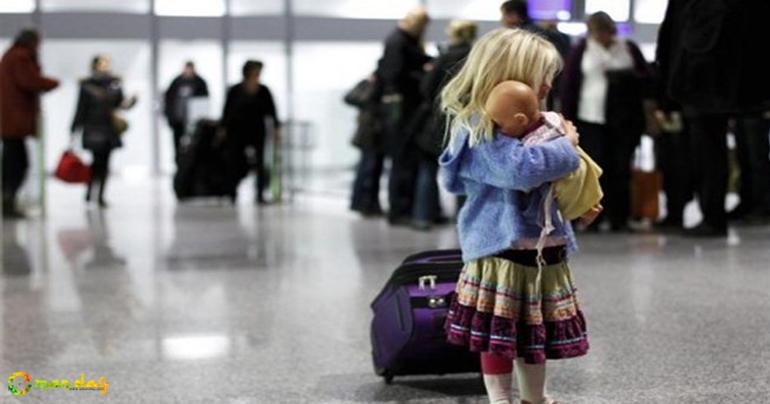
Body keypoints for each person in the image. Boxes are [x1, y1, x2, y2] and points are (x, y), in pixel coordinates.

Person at [439, 28, 590, 404]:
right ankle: (500, 398)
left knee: (532, 330)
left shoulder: (537, 125)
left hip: (542, 247)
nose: (548, 86)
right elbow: (519, 172)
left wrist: (580, 202)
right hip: (500, 253)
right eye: (541, 77)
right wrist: (566, 147)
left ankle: (534, 397)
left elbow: (553, 180)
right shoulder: (478, 127)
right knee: (499, 332)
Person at [656, 0, 770, 236]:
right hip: (706, 84)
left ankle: (715, 215)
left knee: (711, 151)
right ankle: (719, 211)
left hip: (706, 84)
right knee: (709, 151)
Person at [561, 12, 651, 232]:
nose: (603, 37)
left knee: (621, 168)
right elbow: (569, 86)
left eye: (606, 32)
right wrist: (566, 120)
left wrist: (625, 77)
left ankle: (619, 216)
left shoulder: (628, 48)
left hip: (624, 120)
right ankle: (593, 217)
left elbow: (647, 79)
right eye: (598, 32)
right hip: (590, 118)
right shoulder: (581, 50)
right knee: (594, 169)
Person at [485, 80, 603, 228]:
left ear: (521, 120)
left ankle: (583, 209)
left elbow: (528, 172)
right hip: (582, 163)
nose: (497, 130)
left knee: (565, 186)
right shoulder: (551, 118)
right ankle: (589, 204)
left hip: (570, 175)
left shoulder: (534, 141)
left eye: (499, 125)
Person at [410, 19, 477, 230]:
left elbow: (426, 88)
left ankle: (423, 216)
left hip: (439, 121)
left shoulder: (444, 57)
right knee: (465, 171)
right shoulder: (476, 58)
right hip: (468, 121)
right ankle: (464, 220)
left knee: (428, 169)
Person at [376, 6, 431, 225]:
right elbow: (395, 74)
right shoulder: (399, 42)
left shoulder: (400, 40)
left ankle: (401, 207)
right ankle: (399, 209)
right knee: (402, 160)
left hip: (402, 108)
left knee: (404, 161)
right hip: (403, 110)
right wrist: (423, 73)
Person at [0, 29, 59, 218]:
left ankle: (8, 199)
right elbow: (30, 81)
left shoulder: (11, 56)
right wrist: (53, 82)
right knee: (17, 163)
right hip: (14, 118)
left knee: (12, 160)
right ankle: (7, 200)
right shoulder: (20, 57)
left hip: (10, 118)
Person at [71, 54, 137, 208]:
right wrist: (74, 128)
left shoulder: (114, 84)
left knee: (104, 163)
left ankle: (99, 194)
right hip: (93, 128)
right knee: (96, 162)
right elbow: (81, 109)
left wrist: (132, 102)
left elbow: (121, 104)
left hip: (108, 129)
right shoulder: (87, 86)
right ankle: (90, 191)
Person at [221, 60, 280, 204]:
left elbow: (272, 112)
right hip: (237, 132)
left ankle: (259, 194)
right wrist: (223, 129)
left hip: (257, 131)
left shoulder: (264, 91)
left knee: (260, 163)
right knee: (235, 162)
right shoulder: (235, 90)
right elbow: (227, 111)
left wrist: (277, 130)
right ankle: (232, 193)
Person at [345, 73, 385, 217]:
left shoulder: (381, 85)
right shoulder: (370, 84)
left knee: (373, 169)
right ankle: (361, 203)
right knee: (367, 168)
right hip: (368, 133)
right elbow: (349, 98)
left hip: (377, 134)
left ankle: (369, 204)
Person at [163, 61, 209, 162]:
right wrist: (169, 117)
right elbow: (168, 100)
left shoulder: (200, 83)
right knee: (177, 143)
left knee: (195, 143)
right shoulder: (176, 82)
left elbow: (204, 101)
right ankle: (178, 163)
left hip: (194, 121)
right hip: (178, 120)